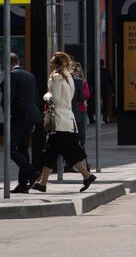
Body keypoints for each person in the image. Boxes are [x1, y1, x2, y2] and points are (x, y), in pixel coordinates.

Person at [30, 52, 96, 194]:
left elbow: (54, 98)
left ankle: (87, 175)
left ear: (57, 63)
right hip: (68, 118)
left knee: (62, 150)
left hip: (58, 119)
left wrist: (46, 96)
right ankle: (42, 183)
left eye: (52, 61)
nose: (50, 63)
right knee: (52, 151)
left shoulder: (56, 77)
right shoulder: (69, 77)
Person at [4, 54, 41, 193]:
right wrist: (33, 122)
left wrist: (8, 114)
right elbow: (36, 99)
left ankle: (32, 172)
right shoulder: (30, 76)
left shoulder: (12, 75)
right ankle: (23, 184)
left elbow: (9, 97)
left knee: (10, 148)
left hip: (19, 116)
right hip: (31, 117)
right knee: (24, 149)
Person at [71, 62, 90, 147]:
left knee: (82, 129)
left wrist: (80, 88)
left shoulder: (82, 82)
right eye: (74, 70)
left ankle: (82, 144)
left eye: (78, 71)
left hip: (81, 109)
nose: (76, 73)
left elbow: (86, 95)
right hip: (74, 108)